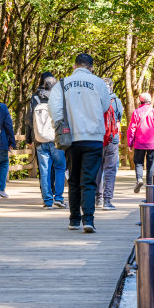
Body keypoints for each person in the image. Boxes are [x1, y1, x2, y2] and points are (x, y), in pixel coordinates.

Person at [48, 53, 110, 233]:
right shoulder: (99, 83)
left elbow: (55, 109)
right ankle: (88, 219)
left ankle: (74, 219)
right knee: (89, 180)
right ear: (91, 68)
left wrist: (62, 127)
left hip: (71, 137)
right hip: (94, 137)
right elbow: (105, 106)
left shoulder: (62, 84)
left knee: (73, 179)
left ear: (74, 66)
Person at [28, 74, 67, 209]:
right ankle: (59, 198)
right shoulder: (59, 98)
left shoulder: (35, 98)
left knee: (44, 170)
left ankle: (47, 201)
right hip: (56, 139)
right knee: (60, 168)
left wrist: (29, 138)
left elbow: (29, 120)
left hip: (40, 139)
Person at [127, 92, 154, 193]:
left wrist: (130, 143)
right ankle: (149, 185)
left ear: (140, 101)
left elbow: (132, 129)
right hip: (152, 143)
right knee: (151, 164)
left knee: (139, 162)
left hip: (139, 142)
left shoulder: (136, 112)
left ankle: (139, 179)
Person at [97, 78, 123, 210]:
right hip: (112, 138)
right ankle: (107, 200)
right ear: (112, 87)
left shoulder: (95, 99)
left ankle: (98, 198)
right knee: (110, 170)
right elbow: (119, 119)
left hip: (96, 138)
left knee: (97, 168)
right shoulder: (116, 101)